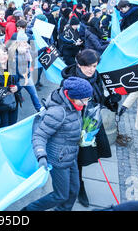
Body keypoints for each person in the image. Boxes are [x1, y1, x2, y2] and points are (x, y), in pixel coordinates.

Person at [22, 77, 94, 211]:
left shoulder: (74, 104)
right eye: (83, 100)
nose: (85, 104)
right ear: (72, 96)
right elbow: (39, 135)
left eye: (87, 99)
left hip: (70, 155)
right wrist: (41, 156)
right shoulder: (58, 112)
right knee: (60, 195)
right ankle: (29, 210)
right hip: (58, 159)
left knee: (74, 190)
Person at [61, 49, 120, 207]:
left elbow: (100, 99)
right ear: (79, 64)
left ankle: (78, 185)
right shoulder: (69, 80)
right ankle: (76, 187)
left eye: (94, 66)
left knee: (84, 157)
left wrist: (111, 100)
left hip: (92, 124)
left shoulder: (97, 76)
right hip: (74, 126)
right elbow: (63, 106)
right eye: (87, 66)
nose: (91, 69)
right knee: (76, 159)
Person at [0, 45, 21, 128]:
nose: (2, 57)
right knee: (4, 126)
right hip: (0, 104)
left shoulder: (13, 65)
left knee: (13, 124)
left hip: (13, 101)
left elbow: (21, 80)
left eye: (4, 53)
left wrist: (17, 87)